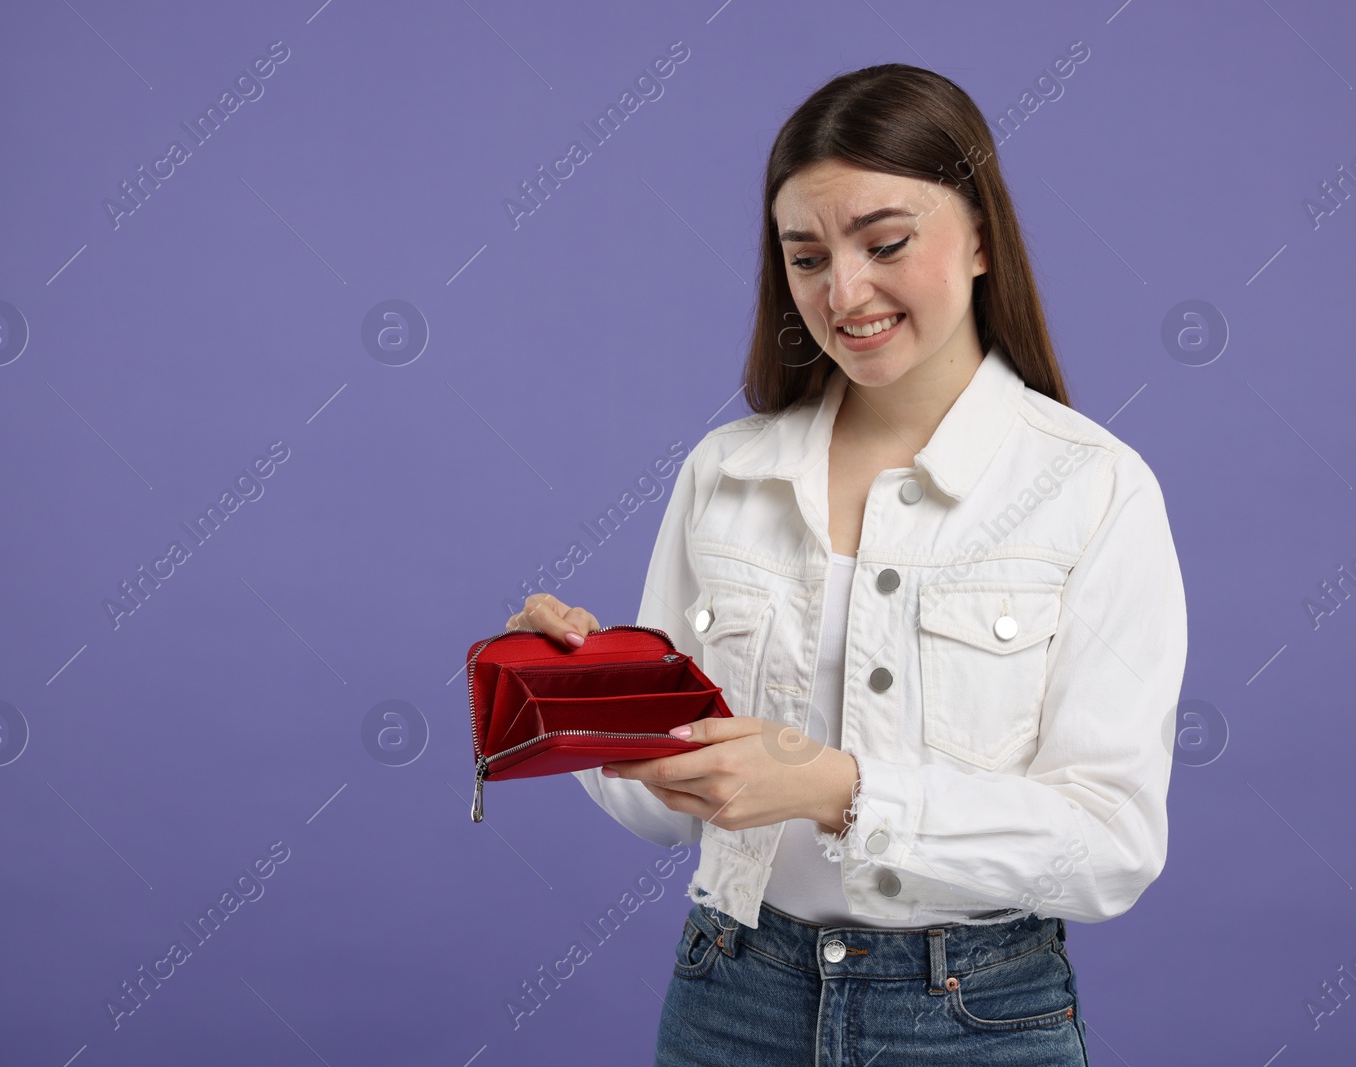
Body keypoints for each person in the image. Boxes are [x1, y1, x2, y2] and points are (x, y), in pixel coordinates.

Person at [505, 62, 1186, 1066]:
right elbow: (661, 808)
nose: (845, 291)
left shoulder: (1095, 489)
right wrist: (575, 699)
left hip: (978, 1014)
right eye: (807, 256)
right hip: (731, 993)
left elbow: (1110, 846)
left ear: (982, 236)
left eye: (886, 243)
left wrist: (840, 789)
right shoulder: (724, 474)